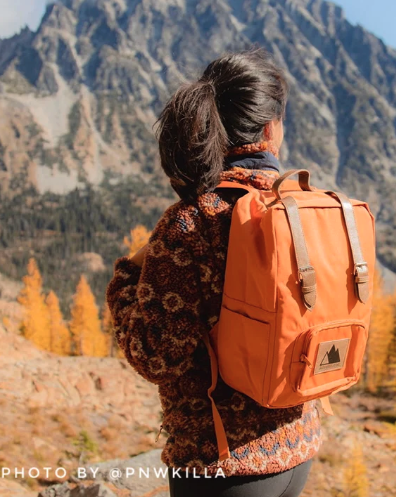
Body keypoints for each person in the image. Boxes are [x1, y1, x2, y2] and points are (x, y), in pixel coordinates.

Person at [105, 47, 321, 497]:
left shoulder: (192, 221)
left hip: (220, 464)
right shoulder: (300, 206)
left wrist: (124, 280)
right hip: (298, 447)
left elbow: (154, 355)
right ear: (270, 129)